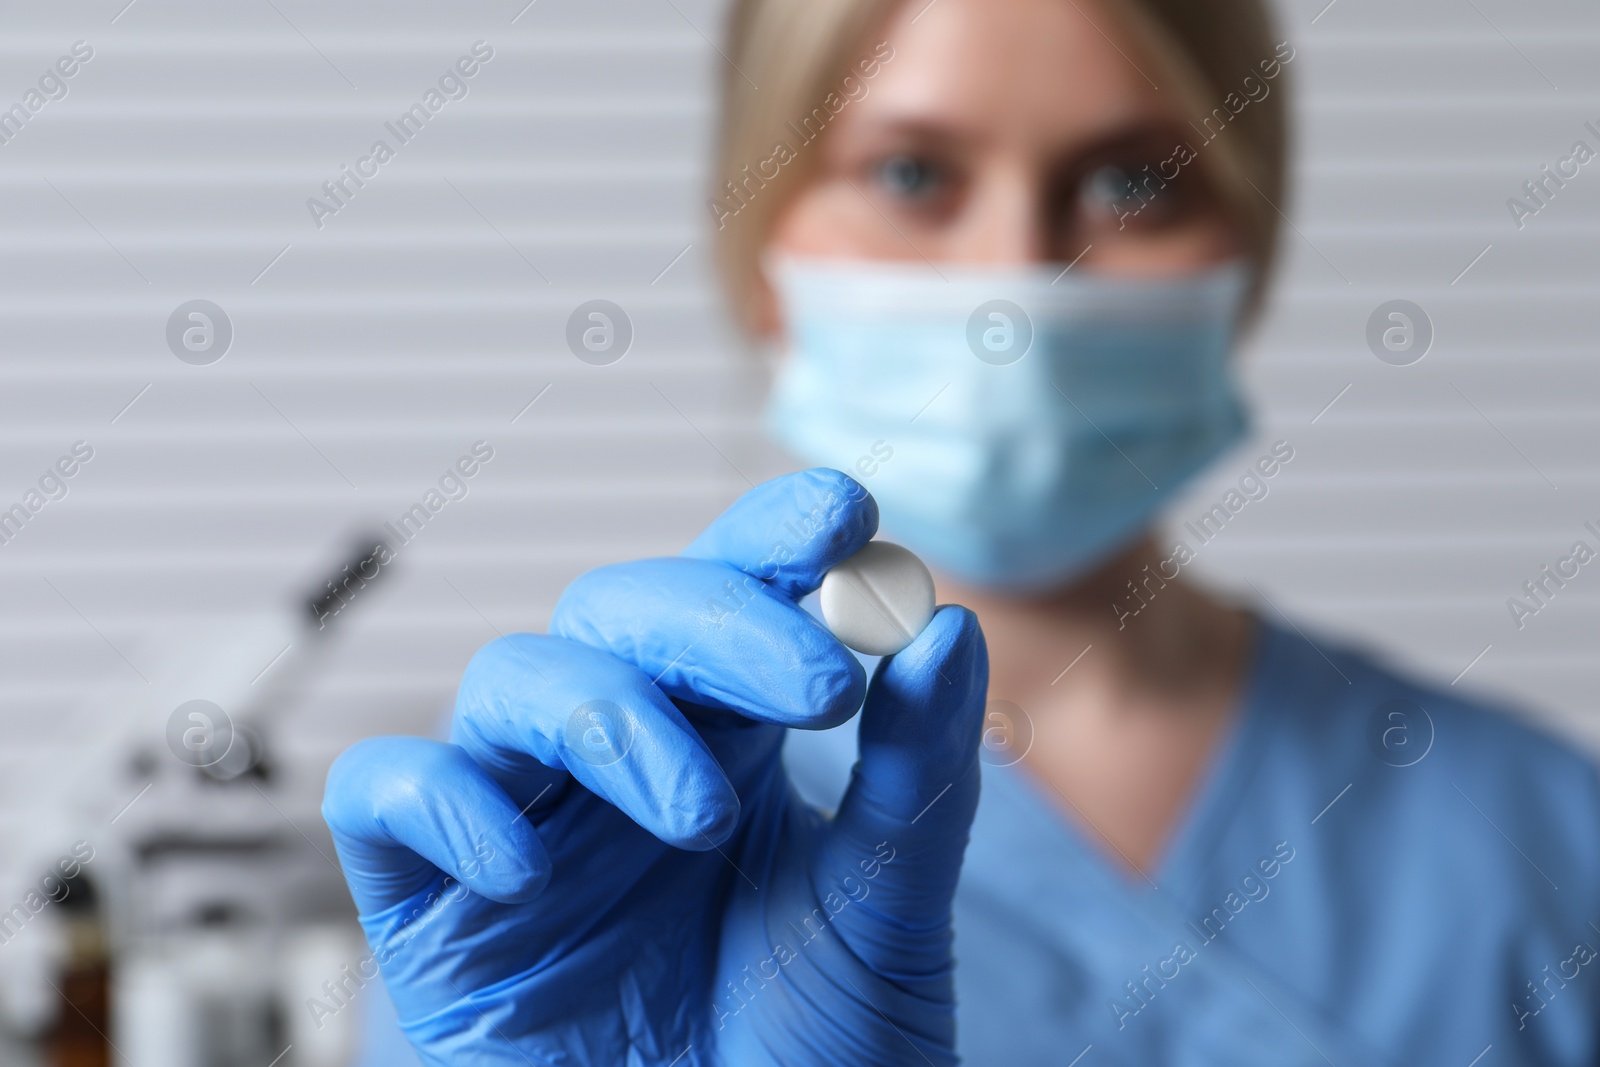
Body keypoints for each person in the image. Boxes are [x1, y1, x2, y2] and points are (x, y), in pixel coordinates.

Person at [323, 0, 1600, 1062]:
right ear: (757, 245)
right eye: (912, 174)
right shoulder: (585, 862)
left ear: (1246, 252)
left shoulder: (1544, 842)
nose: (1015, 279)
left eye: (1132, 183)